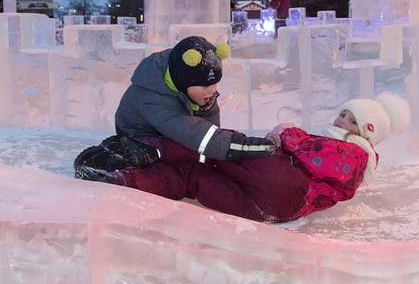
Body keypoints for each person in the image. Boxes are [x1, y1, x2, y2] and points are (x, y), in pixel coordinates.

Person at [105, 93, 411, 223]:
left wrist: (288, 133)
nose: (343, 121)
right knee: (196, 180)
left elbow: (315, 155)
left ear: (367, 133)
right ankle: (127, 181)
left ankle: (155, 147)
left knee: (225, 148)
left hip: (287, 180)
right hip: (278, 209)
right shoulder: (350, 156)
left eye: (353, 120)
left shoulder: (356, 152)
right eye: (343, 114)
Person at [75, 35, 276, 180]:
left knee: (193, 156)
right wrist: (235, 146)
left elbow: (207, 132)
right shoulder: (153, 98)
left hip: (176, 129)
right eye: (205, 85)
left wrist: (217, 152)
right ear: (183, 80)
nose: (211, 91)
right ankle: (110, 157)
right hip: (139, 135)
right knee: (153, 160)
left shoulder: (198, 92)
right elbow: (192, 132)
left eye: (215, 84)